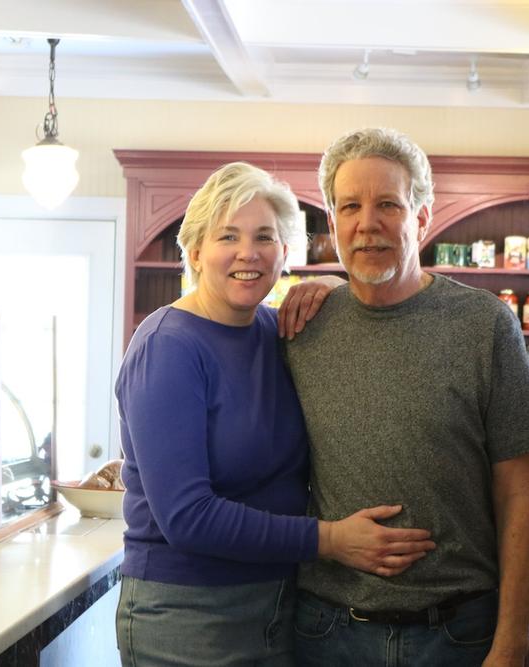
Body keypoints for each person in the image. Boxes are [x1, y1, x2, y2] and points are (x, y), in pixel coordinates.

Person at [114, 161, 436, 667]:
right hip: (187, 614)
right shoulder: (167, 346)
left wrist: (333, 284)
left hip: (281, 603)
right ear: (195, 252)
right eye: (228, 236)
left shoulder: (276, 331)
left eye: (264, 237)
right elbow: (187, 517)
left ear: (285, 252)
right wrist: (331, 540)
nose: (249, 252)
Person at [279, 128, 529, 667]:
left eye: (388, 204)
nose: (367, 223)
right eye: (350, 206)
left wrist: (511, 641)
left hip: (458, 634)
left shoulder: (484, 324)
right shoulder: (302, 327)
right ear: (332, 223)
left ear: (423, 217)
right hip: (328, 633)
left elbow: (518, 495)